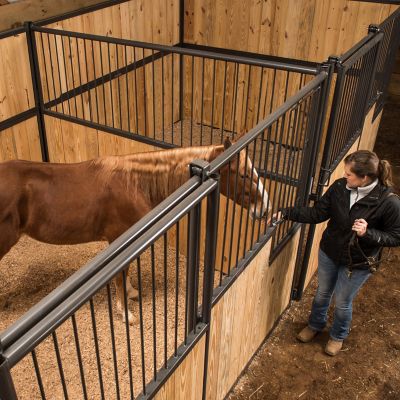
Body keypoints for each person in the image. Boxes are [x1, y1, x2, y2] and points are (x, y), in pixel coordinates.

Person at [280, 150, 400, 356]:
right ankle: (315, 324)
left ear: (365, 178)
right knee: (322, 293)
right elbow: (318, 213)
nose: (344, 177)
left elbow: (396, 236)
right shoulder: (339, 188)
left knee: (343, 302)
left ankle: (337, 335)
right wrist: (285, 212)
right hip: (330, 251)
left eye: (349, 175)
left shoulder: (389, 202)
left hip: (358, 262)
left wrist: (368, 233)